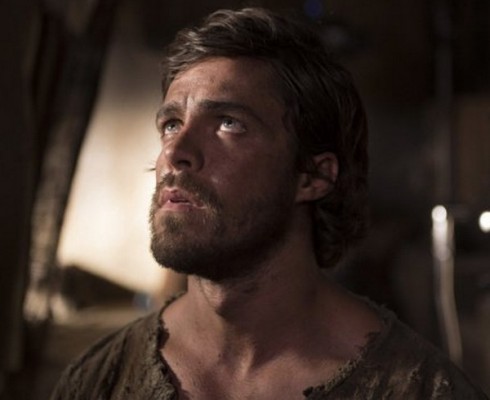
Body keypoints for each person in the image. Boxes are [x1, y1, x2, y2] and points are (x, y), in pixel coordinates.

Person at [50, 7, 488, 400]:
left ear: (313, 177)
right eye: (171, 124)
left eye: (228, 123)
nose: (175, 152)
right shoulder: (100, 380)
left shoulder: (419, 389)